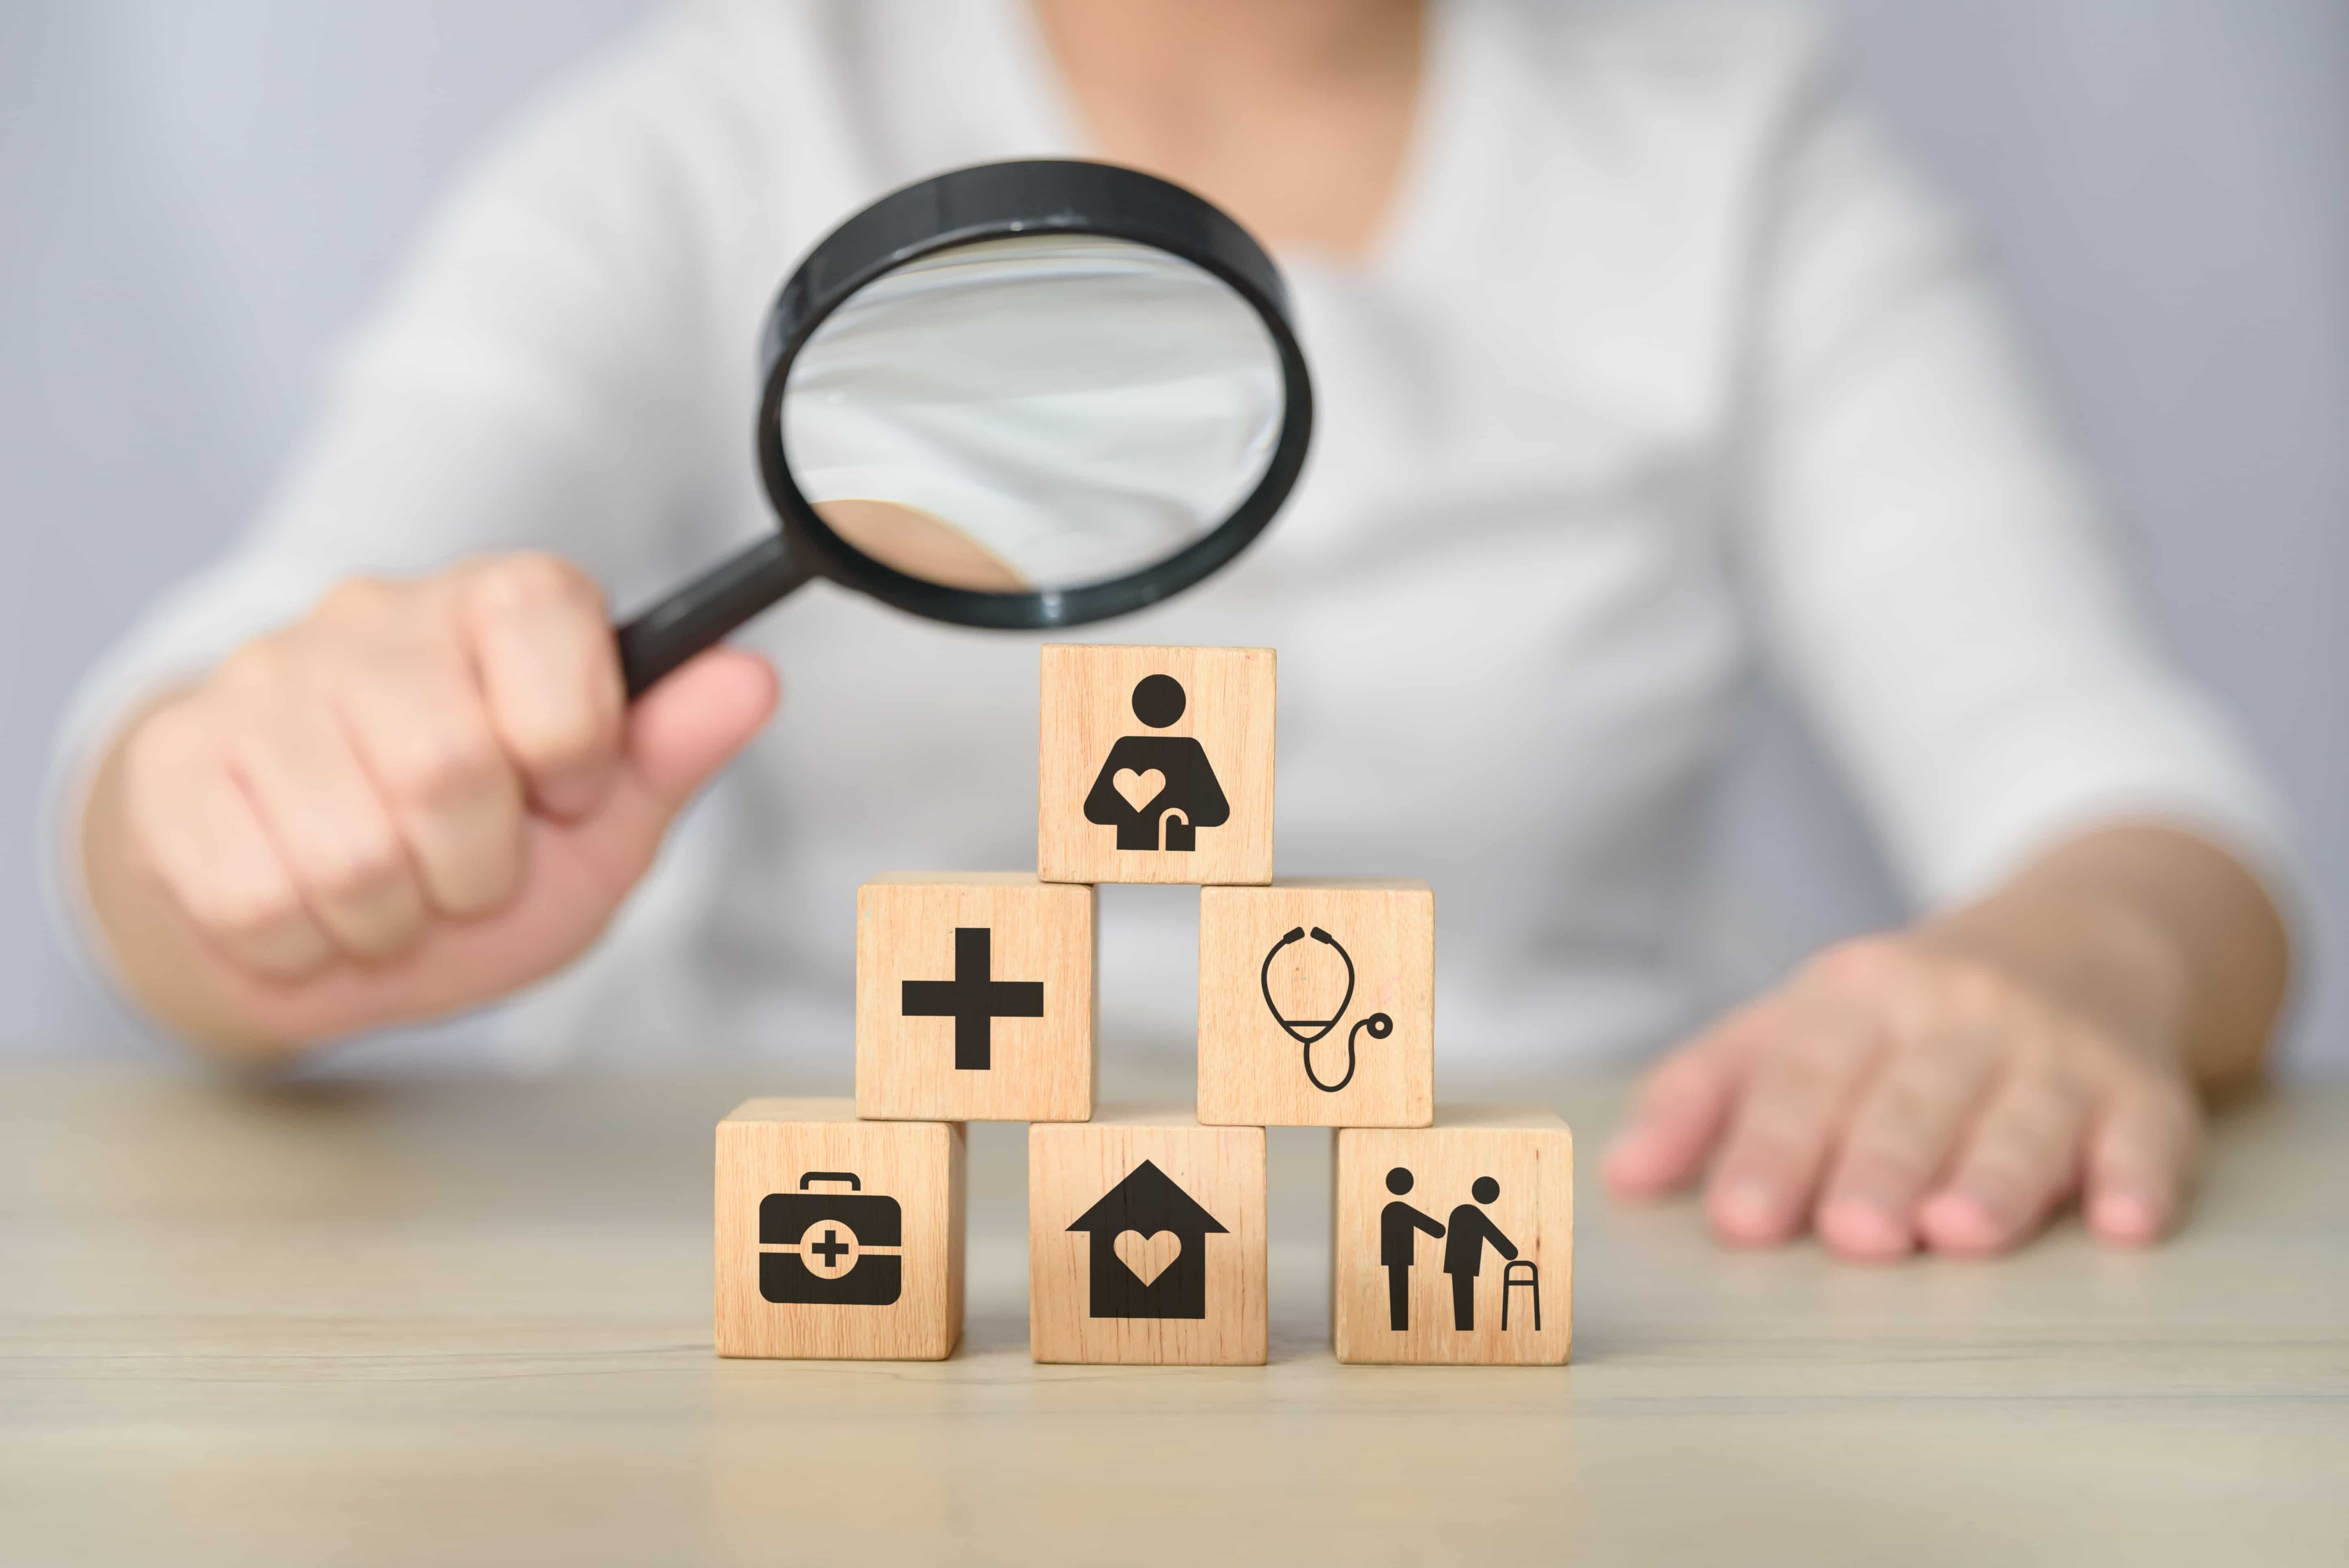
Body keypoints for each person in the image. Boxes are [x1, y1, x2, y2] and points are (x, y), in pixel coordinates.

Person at [49, 0, 2293, 1263]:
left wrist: (2061, 964)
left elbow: (2132, 811)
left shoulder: (1742, 160)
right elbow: (196, 737)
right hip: (796, 1285)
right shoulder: (719, 129)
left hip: (1558, 1270)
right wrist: (256, 836)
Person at [1082, 675, 1230, 852]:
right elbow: (1216, 813)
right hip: (1179, 848)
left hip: (1135, 845)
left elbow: (1096, 810)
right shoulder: (1189, 750)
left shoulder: (1126, 748)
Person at [1442, 1177, 1518, 1332]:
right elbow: (1497, 1238)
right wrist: (1511, 1252)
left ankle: (1464, 1330)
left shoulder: (1460, 1211)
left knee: (1461, 1298)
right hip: (1466, 1265)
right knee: (1464, 1299)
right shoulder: (1473, 1213)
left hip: (1456, 1264)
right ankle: (1465, 1332)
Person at [1379, 1166, 1446, 1330]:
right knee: (1399, 1292)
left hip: (1392, 1257)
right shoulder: (1402, 1209)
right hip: (1401, 1257)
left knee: (1396, 1291)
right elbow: (1436, 1230)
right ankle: (1400, 1327)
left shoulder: (1389, 1210)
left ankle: (1399, 1326)